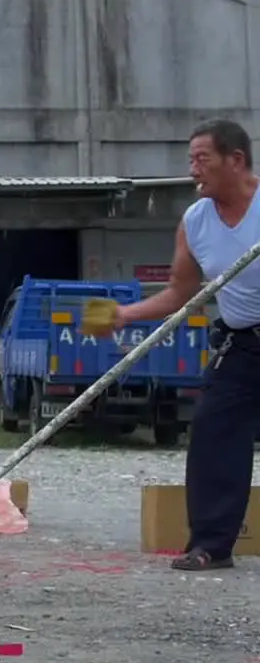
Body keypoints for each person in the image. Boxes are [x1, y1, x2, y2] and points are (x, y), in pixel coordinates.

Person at [105, 119, 260, 571]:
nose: (193, 169)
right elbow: (180, 292)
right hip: (242, 344)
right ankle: (210, 545)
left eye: (202, 158)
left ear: (236, 160)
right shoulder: (195, 221)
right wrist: (125, 315)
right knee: (213, 432)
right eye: (190, 159)